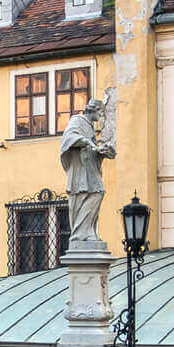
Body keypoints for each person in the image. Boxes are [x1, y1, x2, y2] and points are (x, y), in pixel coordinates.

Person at [58, 98, 115, 247]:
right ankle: (80, 234)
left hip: (90, 169)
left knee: (98, 193)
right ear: (93, 110)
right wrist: (87, 142)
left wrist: (102, 151)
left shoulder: (89, 126)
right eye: (100, 112)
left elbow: (93, 151)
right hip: (80, 171)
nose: (101, 115)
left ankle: (89, 231)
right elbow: (69, 138)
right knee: (87, 196)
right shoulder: (77, 120)